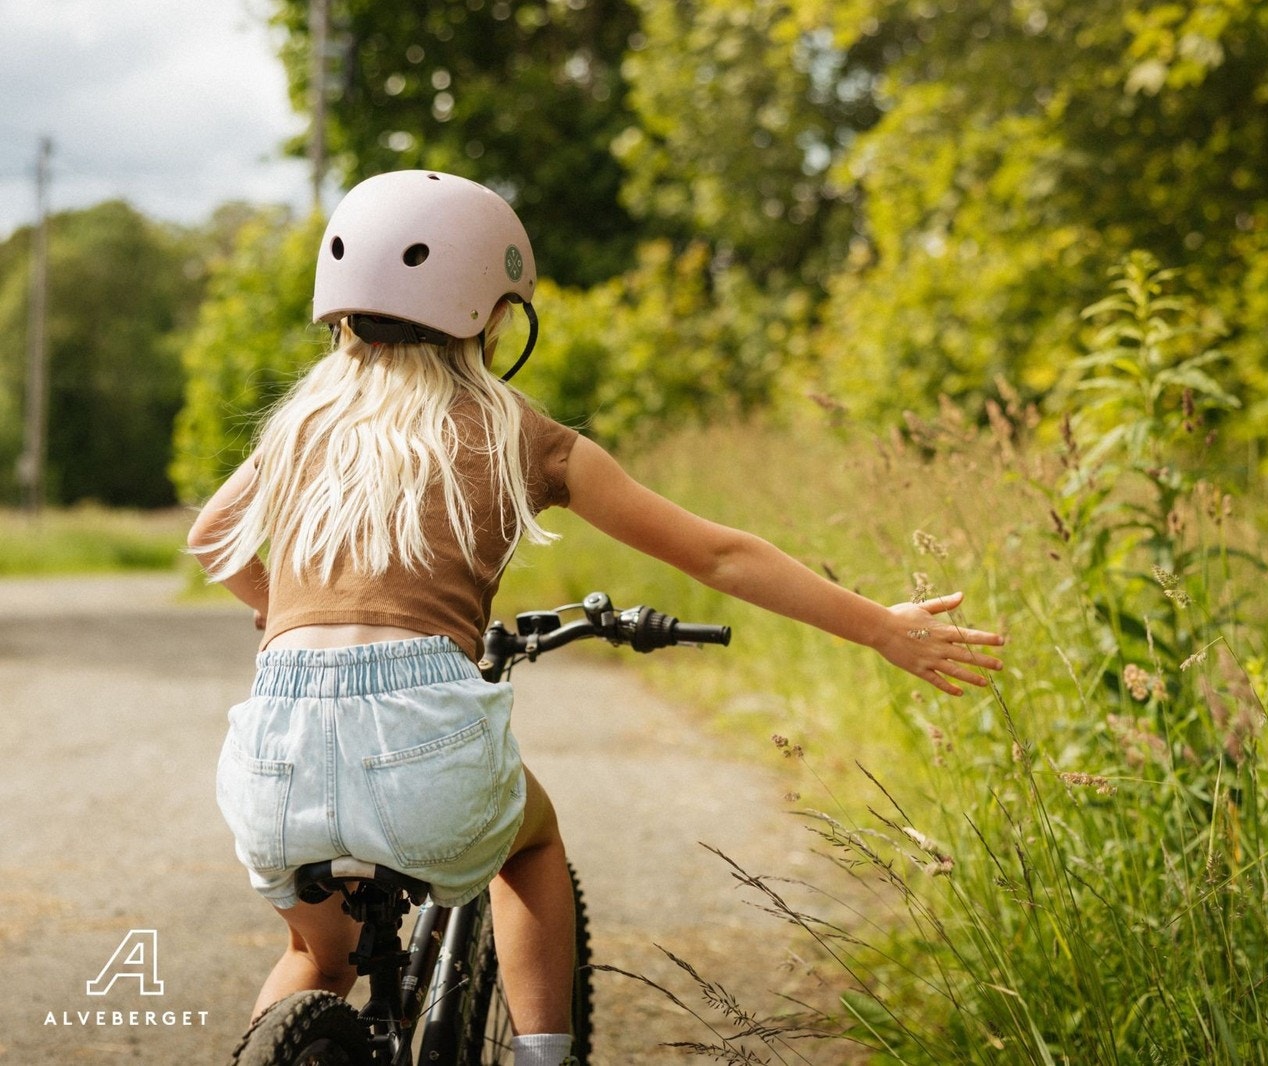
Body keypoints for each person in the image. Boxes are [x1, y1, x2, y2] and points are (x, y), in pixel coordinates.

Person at [188, 169, 1005, 1066]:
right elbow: (718, 555)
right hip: (423, 734)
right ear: (491, 312)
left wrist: (286, 623)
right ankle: (547, 1058)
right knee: (530, 844)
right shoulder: (517, 432)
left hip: (273, 741)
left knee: (314, 957)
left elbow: (212, 537)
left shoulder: (300, 422)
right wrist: (879, 627)